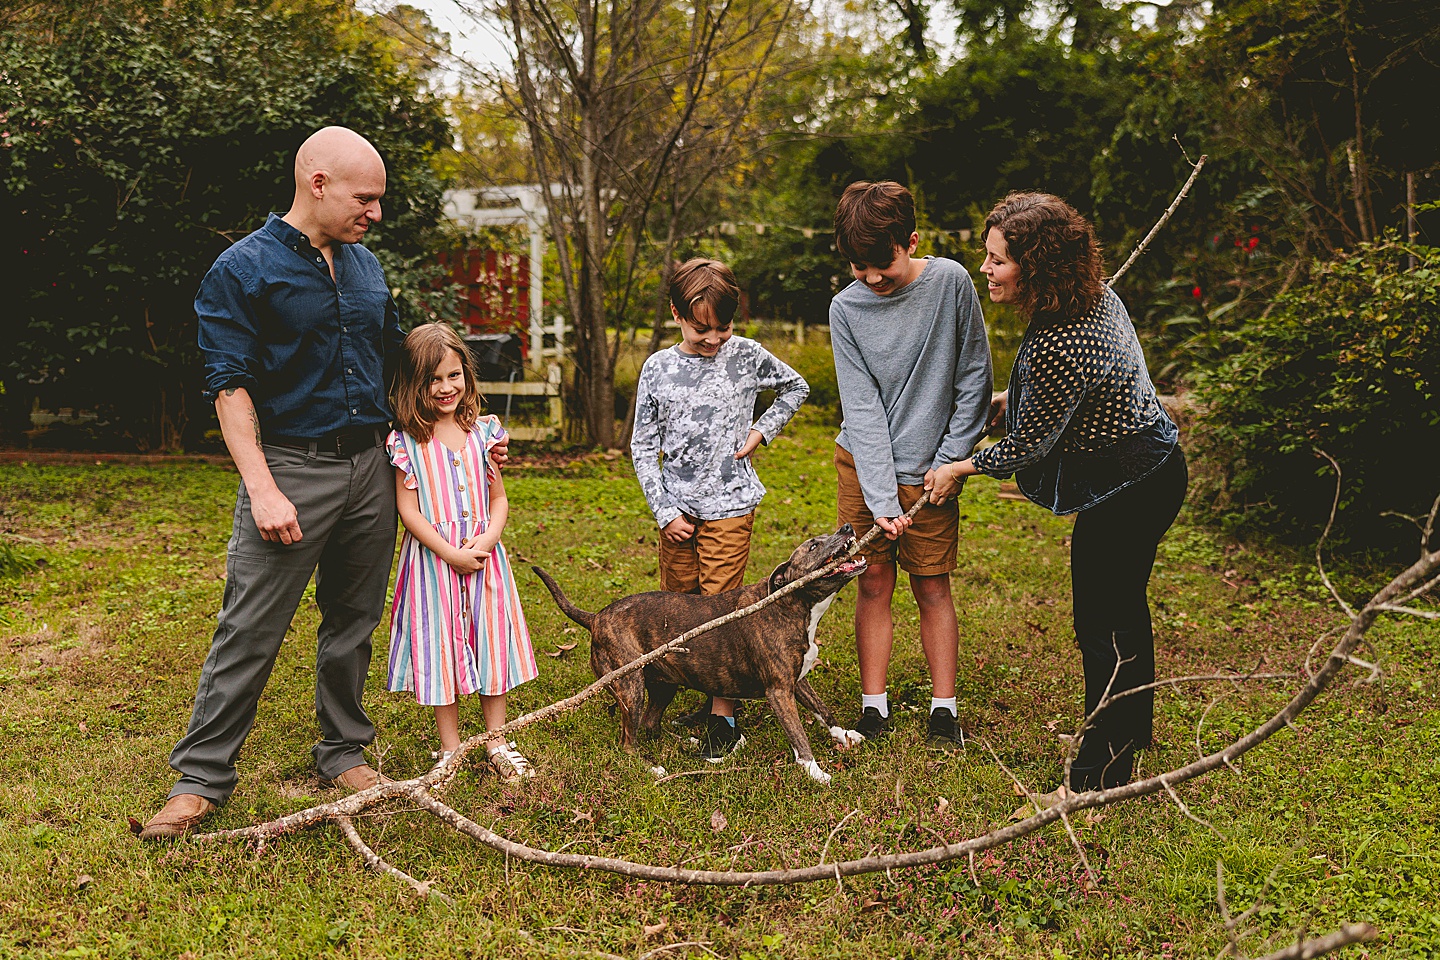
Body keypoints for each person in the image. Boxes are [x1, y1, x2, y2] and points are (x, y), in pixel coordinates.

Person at [139, 127, 409, 840]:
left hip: (369, 468)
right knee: (250, 628)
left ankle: (342, 748)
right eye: (365, 198)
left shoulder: (365, 269)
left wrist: (457, 444)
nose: (374, 213)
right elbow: (229, 388)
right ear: (317, 183)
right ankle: (200, 777)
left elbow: (398, 369)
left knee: (353, 623)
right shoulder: (241, 270)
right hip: (289, 466)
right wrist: (261, 486)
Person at [934, 192, 1187, 795]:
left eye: (998, 261)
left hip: (1129, 488)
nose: (986, 270)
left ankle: (1096, 778)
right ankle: (1129, 734)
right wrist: (1009, 404)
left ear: (1037, 267)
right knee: (1124, 611)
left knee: (1100, 623)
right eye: (987, 255)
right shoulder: (1091, 299)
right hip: (1153, 466)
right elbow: (1073, 401)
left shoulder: (1063, 342)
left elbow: (1029, 448)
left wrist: (959, 468)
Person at [829, 180, 992, 751]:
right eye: (857, 266)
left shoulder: (950, 283)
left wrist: (952, 459)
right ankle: (874, 707)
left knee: (931, 584)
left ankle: (943, 710)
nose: (871, 278)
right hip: (864, 465)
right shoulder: (845, 309)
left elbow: (974, 376)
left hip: (933, 474)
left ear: (912, 240)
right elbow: (863, 407)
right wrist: (878, 497)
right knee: (872, 581)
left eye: (882, 264)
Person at [630, 257, 810, 760]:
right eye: (700, 328)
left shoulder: (747, 356)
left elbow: (796, 387)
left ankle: (723, 716)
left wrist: (761, 430)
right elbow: (644, 446)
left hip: (731, 504)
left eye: (723, 327)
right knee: (679, 609)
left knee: (723, 605)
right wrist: (664, 511)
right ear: (676, 313)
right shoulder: (658, 369)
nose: (713, 339)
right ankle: (687, 692)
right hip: (677, 512)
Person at [386, 323, 538, 781]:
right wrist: (448, 552)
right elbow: (407, 511)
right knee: (441, 650)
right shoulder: (408, 442)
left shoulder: (484, 433)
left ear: (467, 375)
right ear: (415, 383)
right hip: (434, 563)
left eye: (454, 375)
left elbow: (499, 500)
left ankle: (497, 739)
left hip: (485, 560)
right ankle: (450, 748)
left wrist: (488, 538)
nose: (446, 387)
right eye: (433, 380)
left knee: (490, 641)